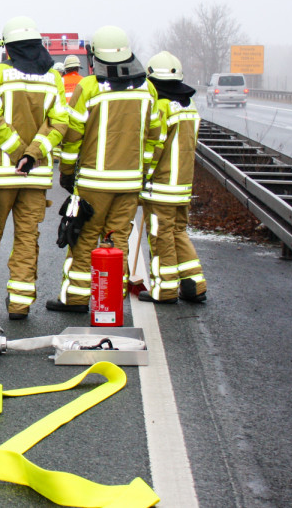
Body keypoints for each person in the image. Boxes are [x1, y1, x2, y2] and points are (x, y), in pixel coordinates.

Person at [0, 17, 68, 320]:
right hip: (35, 178)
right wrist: (32, 156)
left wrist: (18, 153)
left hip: (0, 176)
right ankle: (20, 305)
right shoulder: (53, 78)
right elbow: (59, 123)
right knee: (26, 240)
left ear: (9, 48)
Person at [51, 26, 162, 313]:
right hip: (130, 182)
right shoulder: (148, 89)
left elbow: (73, 136)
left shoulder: (89, 88)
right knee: (118, 239)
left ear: (95, 56)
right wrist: (144, 170)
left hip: (93, 181)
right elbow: (153, 136)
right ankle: (112, 298)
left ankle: (76, 298)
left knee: (85, 237)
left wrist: (66, 171)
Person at [139, 51, 206, 303]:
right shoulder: (189, 106)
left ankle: (165, 289)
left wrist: (144, 174)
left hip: (162, 186)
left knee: (161, 236)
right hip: (183, 184)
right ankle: (194, 284)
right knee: (178, 232)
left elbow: (154, 148)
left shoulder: (161, 106)